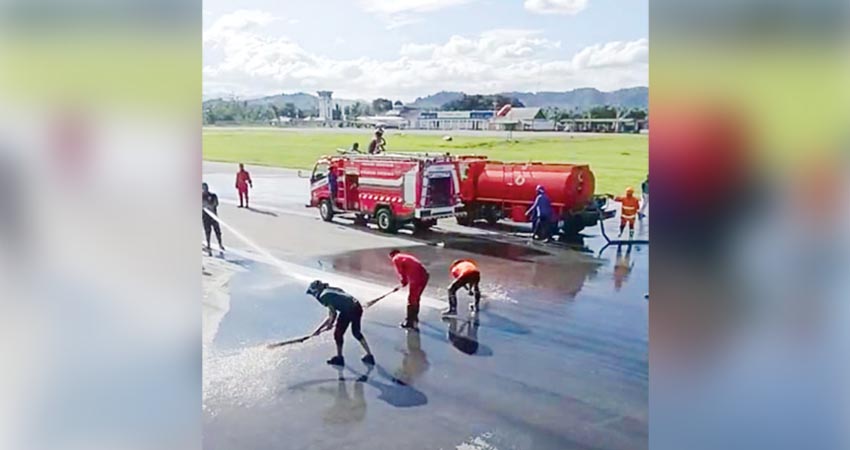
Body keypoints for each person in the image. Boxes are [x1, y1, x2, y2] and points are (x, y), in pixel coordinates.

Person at [306, 280, 375, 367]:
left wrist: (329, 324)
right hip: (357, 307)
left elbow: (333, 314)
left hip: (348, 311)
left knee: (338, 334)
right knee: (356, 332)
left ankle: (339, 358)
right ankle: (369, 355)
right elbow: (332, 314)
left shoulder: (324, 296)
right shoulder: (331, 289)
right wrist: (322, 328)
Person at [389, 249, 430, 329]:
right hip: (424, 275)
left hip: (416, 277)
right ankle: (415, 318)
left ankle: (409, 322)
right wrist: (405, 282)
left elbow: (401, 271)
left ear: (392, 255)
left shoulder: (396, 258)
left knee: (411, 299)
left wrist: (404, 281)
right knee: (416, 297)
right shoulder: (406, 257)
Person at [202, 182, 224, 255]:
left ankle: (220, 244)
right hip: (205, 217)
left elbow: (216, 203)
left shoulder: (213, 195)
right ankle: (208, 245)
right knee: (207, 232)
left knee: (217, 231)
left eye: (205, 188)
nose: (204, 189)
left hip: (214, 216)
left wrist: (209, 206)